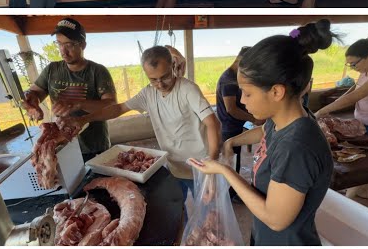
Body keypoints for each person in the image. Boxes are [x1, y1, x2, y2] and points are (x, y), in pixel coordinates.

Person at [190, 20, 338, 245]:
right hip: (266, 236)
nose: (241, 100)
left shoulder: (297, 148)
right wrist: (231, 142)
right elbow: (264, 132)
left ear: (277, 91)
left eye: (247, 94)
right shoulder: (284, 119)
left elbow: (276, 219)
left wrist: (224, 171)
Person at [65, 46, 219, 199]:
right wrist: (84, 119)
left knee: (208, 213)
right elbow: (119, 109)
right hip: (174, 165)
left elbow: (212, 123)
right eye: (153, 79)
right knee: (178, 208)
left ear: (173, 66)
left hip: (201, 166)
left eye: (165, 76)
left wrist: (211, 163)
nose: (160, 84)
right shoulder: (148, 94)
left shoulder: (187, 89)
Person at [21, 18, 117, 160]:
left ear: (83, 45)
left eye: (69, 45)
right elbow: (35, 93)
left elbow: (112, 106)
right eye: (59, 44)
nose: (63, 51)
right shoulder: (52, 69)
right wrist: (31, 101)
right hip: (62, 146)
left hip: (94, 146)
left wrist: (77, 104)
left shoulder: (97, 71)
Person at [316, 31, 368, 140]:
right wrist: (336, 103)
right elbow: (356, 87)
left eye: (354, 64)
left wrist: (321, 111)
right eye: (350, 65)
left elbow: (356, 96)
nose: (353, 68)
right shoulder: (367, 67)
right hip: (362, 123)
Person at [216, 47, 263, 146]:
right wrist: (254, 119)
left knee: (235, 155)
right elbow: (231, 109)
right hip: (229, 127)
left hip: (235, 124)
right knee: (229, 157)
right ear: (241, 61)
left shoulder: (234, 76)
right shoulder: (228, 80)